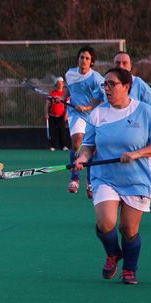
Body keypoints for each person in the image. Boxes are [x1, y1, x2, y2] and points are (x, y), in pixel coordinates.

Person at [73, 67, 151, 285]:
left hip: (137, 179)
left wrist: (137, 154)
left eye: (111, 84)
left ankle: (130, 269)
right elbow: (88, 146)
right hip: (105, 177)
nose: (106, 88)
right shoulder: (97, 114)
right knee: (106, 223)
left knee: (128, 228)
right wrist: (81, 158)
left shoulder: (144, 112)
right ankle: (113, 254)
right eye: (104, 84)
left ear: (126, 87)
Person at [63, 46, 105, 197]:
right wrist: (62, 98)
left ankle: (90, 182)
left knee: (90, 149)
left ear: (91, 62)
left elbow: (102, 99)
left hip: (93, 115)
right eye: (81, 57)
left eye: (87, 58)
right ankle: (74, 179)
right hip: (75, 113)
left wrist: (87, 107)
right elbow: (69, 90)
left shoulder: (97, 78)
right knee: (77, 142)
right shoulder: (70, 73)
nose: (84, 61)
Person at [46, 77, 70, 151]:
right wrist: (46, 113)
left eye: (61, 83)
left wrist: (66, 114)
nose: (60, 85)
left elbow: (67, 105)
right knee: (53, 131)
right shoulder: (52, 94)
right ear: (55, 84)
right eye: (58, 83)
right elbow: (47, 105)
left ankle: (64, 146)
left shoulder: (65, 94)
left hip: (61, 115)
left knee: (62, 131)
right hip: (52, 115)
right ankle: (53, 146)